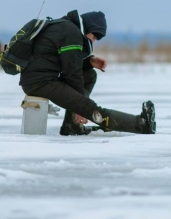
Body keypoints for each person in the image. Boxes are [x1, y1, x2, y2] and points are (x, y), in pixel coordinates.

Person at [17, 10, 155, 136]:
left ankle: (71, 125)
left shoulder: (67, 27)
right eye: (94, 36)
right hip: (40, 82)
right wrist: (79, 107)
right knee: (89, 108)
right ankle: (141, 124)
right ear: (89, 28)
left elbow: (63, 62)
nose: (93, 41)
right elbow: (72, 72)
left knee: (89, 75)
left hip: (39, 78)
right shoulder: (71, 32)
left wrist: (89, 62)